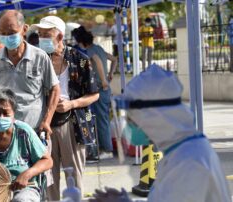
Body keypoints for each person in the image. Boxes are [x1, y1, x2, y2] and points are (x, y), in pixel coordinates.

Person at [90, 64, 232, 202]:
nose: (129, 127)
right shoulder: (180, 152)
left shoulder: (190, 162)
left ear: (154, 117)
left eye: (132, 119)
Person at [32, 16, 99, 200]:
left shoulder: (80, 60)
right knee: (48, 176)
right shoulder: (37, 61)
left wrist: (71, 104)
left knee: (73, 175)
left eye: (46, 34)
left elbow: (95, 94)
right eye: (39, 34)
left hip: (73, 124)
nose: (41, 38)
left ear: (60, 36)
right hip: (44, 125)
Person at [0, 10, 60, 138]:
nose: (7, 37)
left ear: (24, 29)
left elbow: (55, 89)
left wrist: (47, 121)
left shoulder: (40, 57)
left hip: (33, 132)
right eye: (3, 33)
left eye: (11, 33)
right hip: (3, 133)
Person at [72, 26, 114, 158]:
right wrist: (110, 74)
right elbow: (114, 59)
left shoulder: (89, 51)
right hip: (104, 89)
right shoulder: (98, 48)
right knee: (102, 119)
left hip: (100, 89)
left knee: (101, 120)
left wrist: (103, 81)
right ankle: (104, 149)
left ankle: (107, 150)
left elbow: (97, 61)